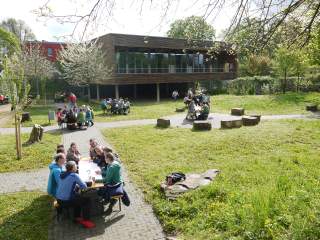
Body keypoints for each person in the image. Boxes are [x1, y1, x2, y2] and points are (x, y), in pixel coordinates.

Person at [56, 161, 95, 228]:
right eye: (75, 166)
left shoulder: (61, 175)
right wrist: (89, 182)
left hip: (58, 200)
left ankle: (77, 217)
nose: (77, 167)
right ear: (73, 168)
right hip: (67, 201)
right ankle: (86, 221)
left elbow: (66, 184)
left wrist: (76, 185)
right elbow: (84, 186)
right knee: (87, 201)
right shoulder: (74, 175)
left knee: (78, 198)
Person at [97, 151, 130, 215]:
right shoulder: (114, 163)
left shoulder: (111, 167)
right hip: (119, 182)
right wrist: (101, 172)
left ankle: (110, 206)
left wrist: (96, 181)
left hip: (115, 184)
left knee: (104, 188)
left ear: (108, 159)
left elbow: (107, 179)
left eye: (105, 158)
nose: (104, 159)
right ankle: (107, 201)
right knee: (105, 188)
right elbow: (108, 173)